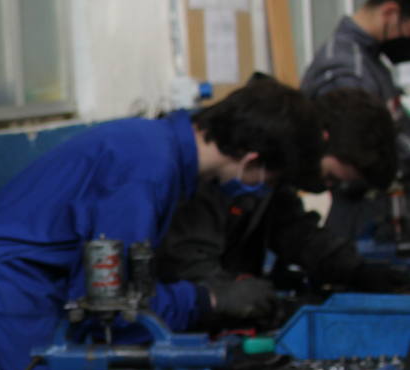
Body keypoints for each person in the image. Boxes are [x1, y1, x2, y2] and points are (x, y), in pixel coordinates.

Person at [0, 78, 324, 370]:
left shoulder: (159, 151)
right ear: (252, 160)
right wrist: (207, 301)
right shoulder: (146, 172)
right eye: (269, 180)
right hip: (9, 298)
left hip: (29, 290)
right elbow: (111, 305)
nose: (261, 190)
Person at [159, 87, 410, 293]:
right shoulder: (222, 157)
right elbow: (187, 263)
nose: (325, 187)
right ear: (320, 140)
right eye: (329, 177)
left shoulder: (272, 173)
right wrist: (232, 298)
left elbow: (292, 229)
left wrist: (355, 270)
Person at [301, 0, 410, 239]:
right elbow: (349, 160)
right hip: (360, 228)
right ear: (390, 13)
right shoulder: (345, 69)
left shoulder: (371, 62)